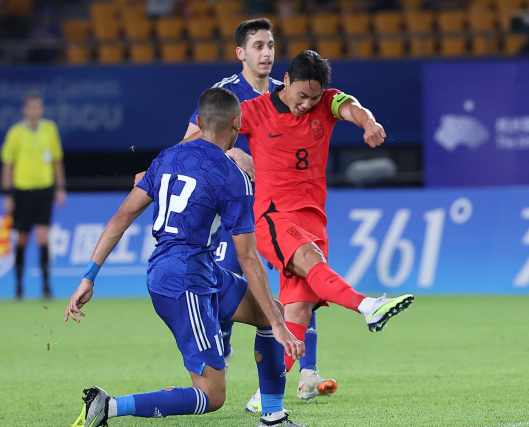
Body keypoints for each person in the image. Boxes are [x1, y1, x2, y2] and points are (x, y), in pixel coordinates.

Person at [184, 50, 414, 405]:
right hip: (273, 216)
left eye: (314, 97)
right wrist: (208, 158)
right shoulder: (256, 110)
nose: (307, 104)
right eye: (301, 96)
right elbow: (206, 129)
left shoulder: (326, 102)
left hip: (313, 217)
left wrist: (368, 123)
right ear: (286, 81)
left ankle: (263, 397)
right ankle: (367, 305)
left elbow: (352, 107)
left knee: (298, 313)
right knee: (309, 260)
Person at [65, 88, 305, 427]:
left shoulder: (167, 158)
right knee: (212, 396)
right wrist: (283, 329)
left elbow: (122, 216)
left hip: (193, 268)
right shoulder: (231, 175)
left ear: (201, 122)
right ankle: (109, 406)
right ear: (237, 123)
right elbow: (248, 257)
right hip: (184, 281)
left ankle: (273, 417)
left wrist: (89, 275)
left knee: (270, 313)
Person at [182, 18, 339, 411]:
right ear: (241, 53)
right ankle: (220, 359)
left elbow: (333, 107)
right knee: (229, 290)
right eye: (257, 46)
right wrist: (232, 152)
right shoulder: (225, 94)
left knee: (300, 279)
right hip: (239, 215)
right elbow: (188, 143)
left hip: (282, 210)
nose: (266, 52)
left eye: (270, 45)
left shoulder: (289, 92)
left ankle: (306, 373)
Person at [1, 91, 66, 299]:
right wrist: (8, 194)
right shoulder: (15, 133)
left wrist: (60, 188)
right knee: (21, 238)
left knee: (43, 238)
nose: (34, 111)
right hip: (22, 192)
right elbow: (8, 165)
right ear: (24, 110)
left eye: (38, 107)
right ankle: (19, 286)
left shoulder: (49, 129)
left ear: (42, 109)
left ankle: (46, 285)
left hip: (44, 190)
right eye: (31, 107)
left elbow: (57, 160)